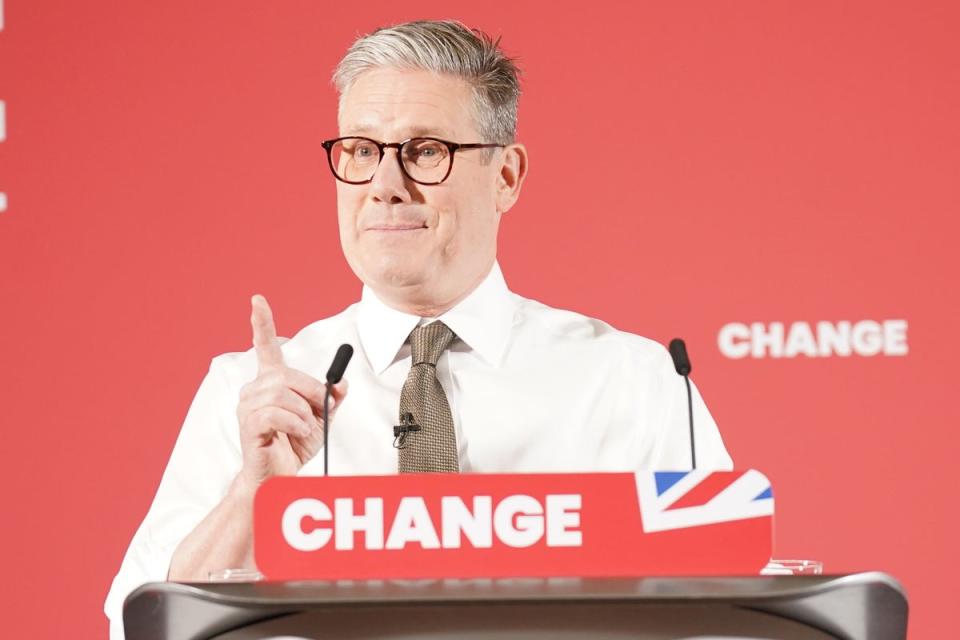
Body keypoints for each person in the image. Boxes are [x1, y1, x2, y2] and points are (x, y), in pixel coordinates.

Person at [105, 20, 732, 638]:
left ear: (506, 176)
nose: (383, 187)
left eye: (425, 151)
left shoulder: (631, 381)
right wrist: (252, 497)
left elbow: (732, 621)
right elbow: (135, 629)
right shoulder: (256, 396)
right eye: (360, 151)